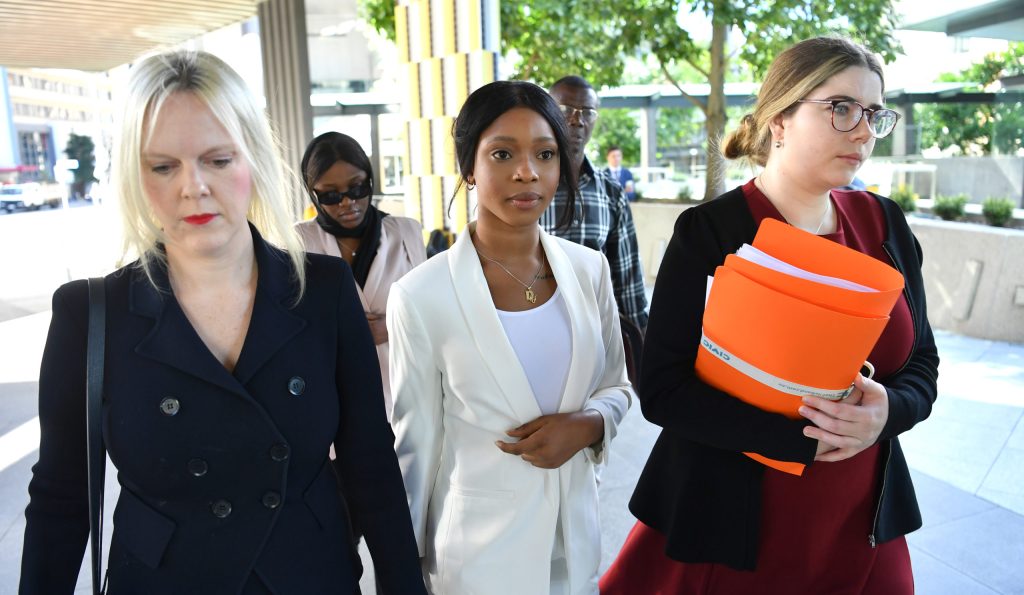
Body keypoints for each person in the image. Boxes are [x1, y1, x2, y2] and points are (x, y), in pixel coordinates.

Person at [19, 50, 425, 595]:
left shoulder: (323, 292)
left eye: (218, 159)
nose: (194, 187)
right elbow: (62, 496)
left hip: (309, 575)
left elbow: (370, 464)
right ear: (135, 178)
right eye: (164, 166)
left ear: (252, 160)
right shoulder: (90, 316)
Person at [601, 36, 939, 594]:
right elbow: (662, 390)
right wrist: (803, 440)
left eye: (873, 114)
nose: (862, 131)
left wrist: (888, 413)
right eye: (841, 109)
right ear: (779, 119)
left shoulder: (884, 223)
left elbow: (921, 362)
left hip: (862, 518)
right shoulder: (709, 232)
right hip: (733, 522)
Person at [387, 80, 633, 594]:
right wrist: (401, 568)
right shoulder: (421, 294)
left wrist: (589, 424)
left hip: (575, 543)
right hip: (477, 558)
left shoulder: (589, 271)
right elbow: (416, 442)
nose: (527, 172)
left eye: (545, 154)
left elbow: (617, 388)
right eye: (502, 153)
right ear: (469, 168)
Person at [296, 131, 426, 416]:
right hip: (334, 400)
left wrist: (392, 325)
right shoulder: (297, 243)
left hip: (406, 397)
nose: (347, 203)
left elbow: (432, 312)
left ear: (370, 180)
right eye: (330, 195)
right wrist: (347, 332)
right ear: (313, 193)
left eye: (357, 188)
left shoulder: (406, 232)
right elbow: (290, 325)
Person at [539, 76, 648, 331]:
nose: (577, 120)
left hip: (597, 334)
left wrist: (641, 339)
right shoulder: (530, 185)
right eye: (565, 110)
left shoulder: (610, 191)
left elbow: (627, 276)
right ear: (547, 113)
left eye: (587, 112)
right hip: (538, 330)